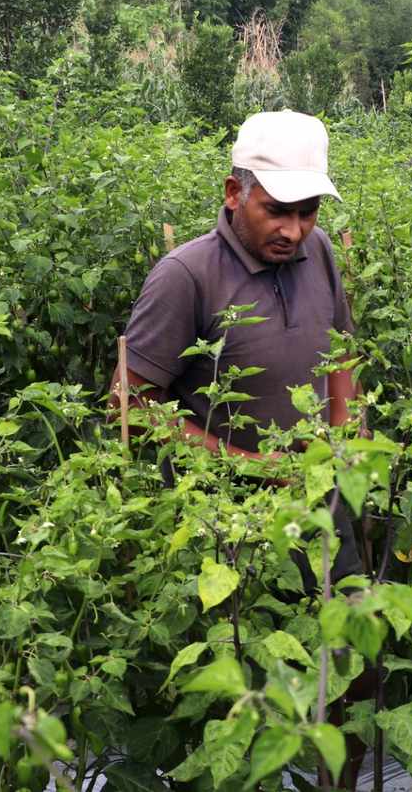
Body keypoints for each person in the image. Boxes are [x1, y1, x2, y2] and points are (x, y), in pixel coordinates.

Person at [120, 109, 365, 592]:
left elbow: (339, 352)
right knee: (248, 648)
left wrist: (344, 441)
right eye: (276, 210)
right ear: (235, 194)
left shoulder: (319, 250)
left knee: (347, 640)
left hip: (320, 500)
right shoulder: (186, 276)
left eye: (307, 211)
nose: (294, 231)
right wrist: (245, 464)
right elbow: (128, 405)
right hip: (226, 520)